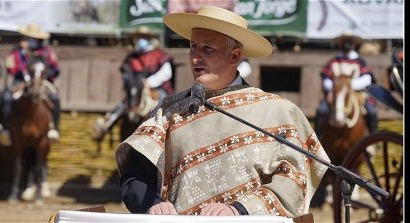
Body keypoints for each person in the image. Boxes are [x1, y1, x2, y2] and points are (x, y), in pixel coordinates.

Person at [115, 6, 330, 218]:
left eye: (207, 49)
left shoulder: (277, 111)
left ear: (235, 56)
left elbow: (295, 178)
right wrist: (153, 203)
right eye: (193, 47)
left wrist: (240, 208)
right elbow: (135, 177)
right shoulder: (168, 112)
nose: (195, 58)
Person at [93, 26, 175, 139]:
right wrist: (133, 83)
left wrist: (148, 83)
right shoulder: (132, 57)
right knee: (123, 106)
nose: (140, 40)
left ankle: (168, 132)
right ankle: (106, 126)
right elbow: (126, 74)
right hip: (136, 90)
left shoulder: (158, 54)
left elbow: (166, 73)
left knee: (164, 106)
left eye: (143, 37)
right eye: (138, 38)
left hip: (156, 88)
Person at [3, 23, 61, 143]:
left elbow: (55, 68)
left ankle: (54, 128)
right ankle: (6, 128)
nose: (30, 40)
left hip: (42, 81)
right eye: (28, 37)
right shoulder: (17, 52)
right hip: (21, 81)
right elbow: (10, 67)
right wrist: (22, 72)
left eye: (33, 38)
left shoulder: (47, 52)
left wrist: (43, 75)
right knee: (7, 97)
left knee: (55, 98)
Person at [314, 31, 378, 137]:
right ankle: (318, 137)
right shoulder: (334, 61)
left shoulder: (359, 61)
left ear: (354, 44)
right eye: (344, 42)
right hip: (335, 94)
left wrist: (349, 86)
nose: (347, 44)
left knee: (371, 111)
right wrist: (337, 88)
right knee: (322, 110)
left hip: (357, 94)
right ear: (340, 44)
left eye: (350, 42)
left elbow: (367, 78)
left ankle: (372, 138)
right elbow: (326, 80)